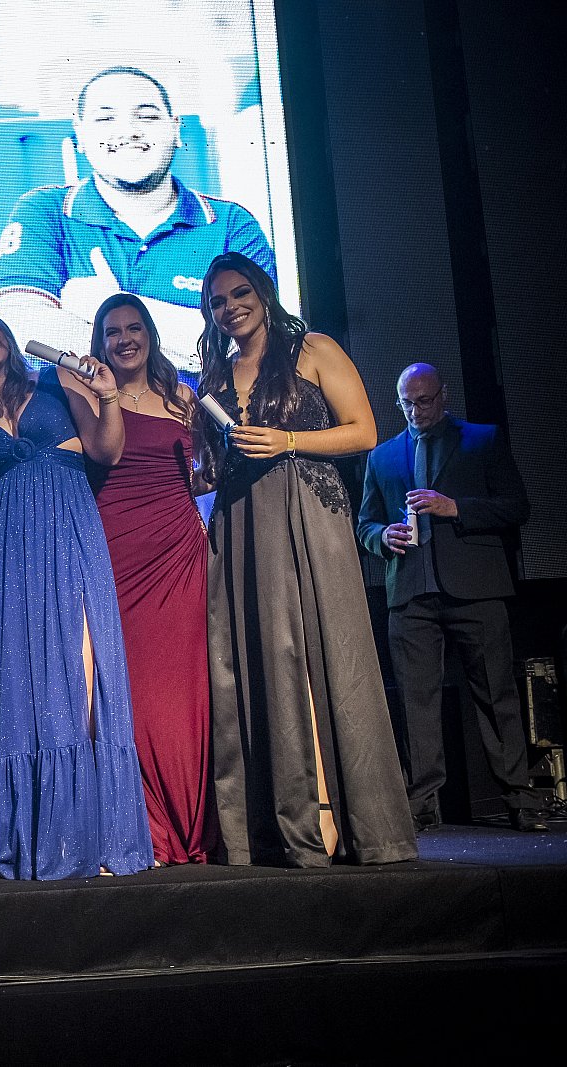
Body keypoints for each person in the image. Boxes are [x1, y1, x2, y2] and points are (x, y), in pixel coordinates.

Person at [196, 252, 416, 867]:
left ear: (264, 293)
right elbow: (214, 465)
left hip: (310, 513)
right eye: (217, 301)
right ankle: (285, 823)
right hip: (242, 521)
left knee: (328, 651)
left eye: (240, 293)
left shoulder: (312, 349)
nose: (230, 308)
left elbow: (364, 431)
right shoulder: (217, 375)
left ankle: (351, 818)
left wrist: (288, 441)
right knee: (263, 660)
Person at [0, 305, 152, 879]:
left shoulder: (57, 380)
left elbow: (106, 451)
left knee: (82, 674)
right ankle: (38, 836)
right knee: (21, 685)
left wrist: (108, 397)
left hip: (68, 528)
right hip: (7, 551)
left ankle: (97, 832)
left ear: (7, 334)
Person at [357, 364, 547, 833]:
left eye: (424, 401)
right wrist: (382, 537)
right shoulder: (382, 457)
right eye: (407, 403)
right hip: (410, 594)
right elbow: (365, 524)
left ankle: (519, 798)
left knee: (496, 695)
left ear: (444, 396)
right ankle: (422, 804)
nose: (416, 411)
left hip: (476, 589)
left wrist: (455, 507)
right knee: (416, 702)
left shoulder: (483, 440)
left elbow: (516, 507)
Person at [0, 65, 277, 369]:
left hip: (201, 402)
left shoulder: (233, 225)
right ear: (80, 135)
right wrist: (188, 337)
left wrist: (105, 305)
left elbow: (251, 343)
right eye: (105, 118)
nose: (128, 131)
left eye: (147, 116)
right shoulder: (43, 211)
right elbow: (24, 330)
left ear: (176, 129)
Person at [89, 293, 217, 865]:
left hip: (179, 554)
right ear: (101, 341)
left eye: (134, 328)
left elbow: (200, 476)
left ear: (150, 334)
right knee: (133, 693)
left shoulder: (183, 397)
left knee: (186, 692)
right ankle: (148, 828)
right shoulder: (88, 394)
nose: (125, 339)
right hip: (118, 553)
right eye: (113, 331)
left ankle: (194, 824)